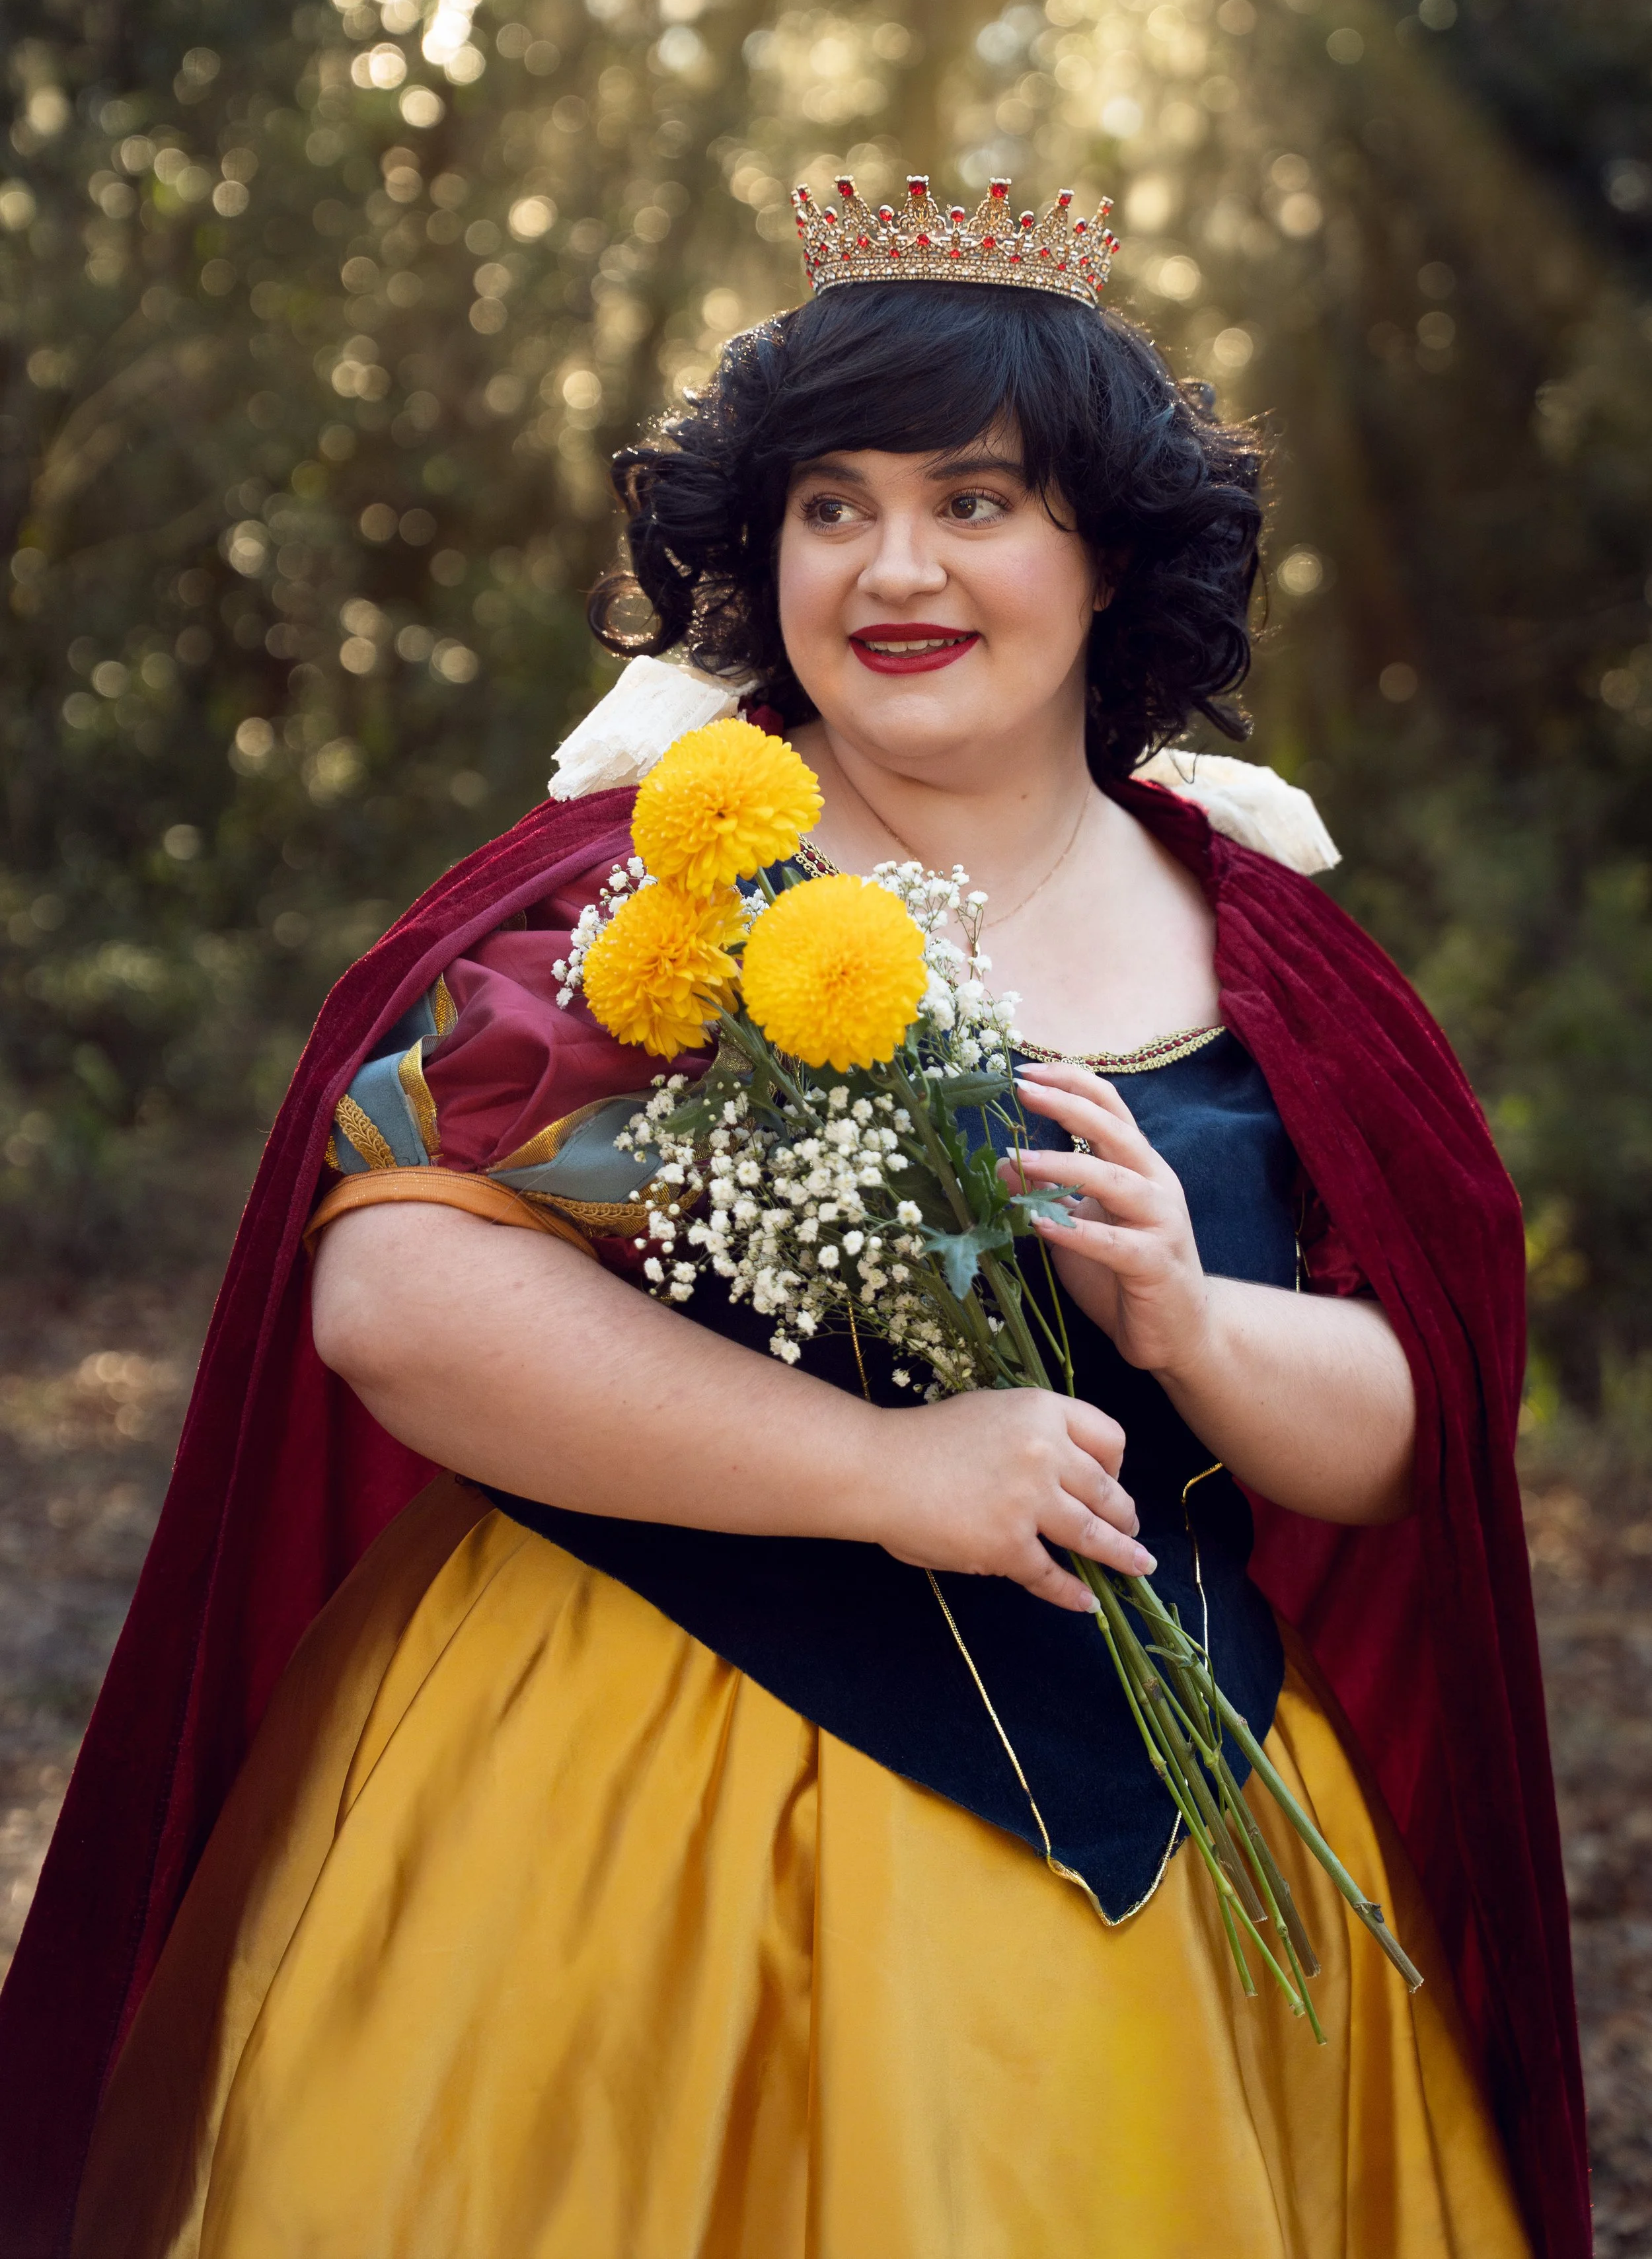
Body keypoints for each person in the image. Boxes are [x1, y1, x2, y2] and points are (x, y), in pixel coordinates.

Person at [0, 174, 1587, 2259]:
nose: (891, 566)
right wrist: (883, 1469)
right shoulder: (653, 897)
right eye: (831, 505)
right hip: (612, 1820)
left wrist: (1194, 1324)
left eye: (971, 501)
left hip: (1159, 1868)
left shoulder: (1267, 947)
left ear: (1107, 555)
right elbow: (394, 1289)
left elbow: (1408, 1431)